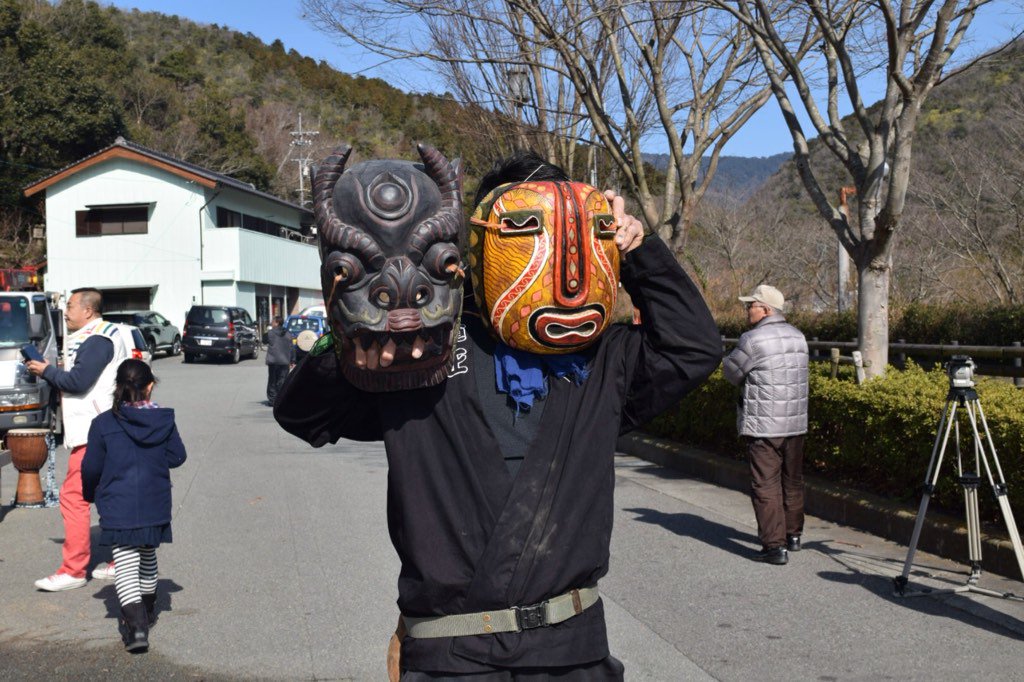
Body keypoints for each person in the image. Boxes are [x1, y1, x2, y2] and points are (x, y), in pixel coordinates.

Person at [276, 148, 722, 680]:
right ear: (482, 244)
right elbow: (304, 414)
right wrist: (352, 329)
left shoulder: (603, 359)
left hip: (571, 653)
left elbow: (693, 347)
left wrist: (641, 250)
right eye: (525, 227)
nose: (549, 248)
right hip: (450, 659)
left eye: (564, 228)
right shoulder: (424, 346)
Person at [81, 359, 187, 652]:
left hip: (118, 504)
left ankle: (137, 626)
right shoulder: (163, 419)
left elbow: (91, 468)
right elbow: (178, 457)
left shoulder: (102, 424)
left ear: (118, 386)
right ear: (150, 386)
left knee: (125, 564)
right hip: (155, 502)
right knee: (147, 555)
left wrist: (90, 493)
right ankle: (149, 607)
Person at [27, 287, 128, 591]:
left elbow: (78, 382)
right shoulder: (106, 333)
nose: (66, 311)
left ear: (88, 310)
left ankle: (73, 569)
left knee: (74, 496)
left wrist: (46, 371)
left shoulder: (96, 338)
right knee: (110, 494)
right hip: (107, 427)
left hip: (92, 430)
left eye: (70, 306)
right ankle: (120, 561)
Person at [722, 284, 809, 566]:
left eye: (752, 305)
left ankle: (775, 546)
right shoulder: (799, 337)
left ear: (766, 310)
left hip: (764, 424)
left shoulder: (753, 340)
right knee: (792, 481)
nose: (748, 309)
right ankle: (793, 535)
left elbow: (731, 373)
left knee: (765, 484)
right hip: (796, 422)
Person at [264, 315, 295, 406]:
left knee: (272, 381)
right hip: (285, 361)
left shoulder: (270, 333)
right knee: (282, 381)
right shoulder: (288, 334)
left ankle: (273, 400)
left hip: (274, 361)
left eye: (273, 321)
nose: (271, 323)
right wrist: (292, 360)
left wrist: (268, 330)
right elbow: (292, 348)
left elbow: (264, 340)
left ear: (277, 323)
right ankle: (281, 400)